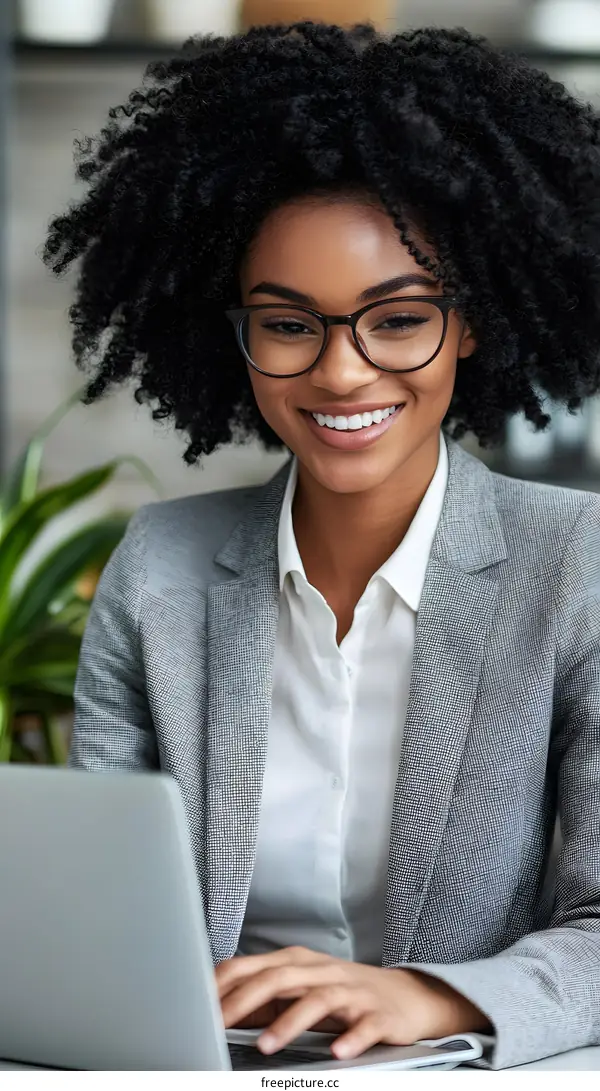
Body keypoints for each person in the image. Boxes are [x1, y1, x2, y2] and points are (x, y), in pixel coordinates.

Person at [44, 22, 600, 1070]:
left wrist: (428, 996)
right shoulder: (157, 567)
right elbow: (102, 913)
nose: (343, 373)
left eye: (396, 320)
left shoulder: (577, 565)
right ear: (238, 335)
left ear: (470, 323)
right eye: (290, 324)